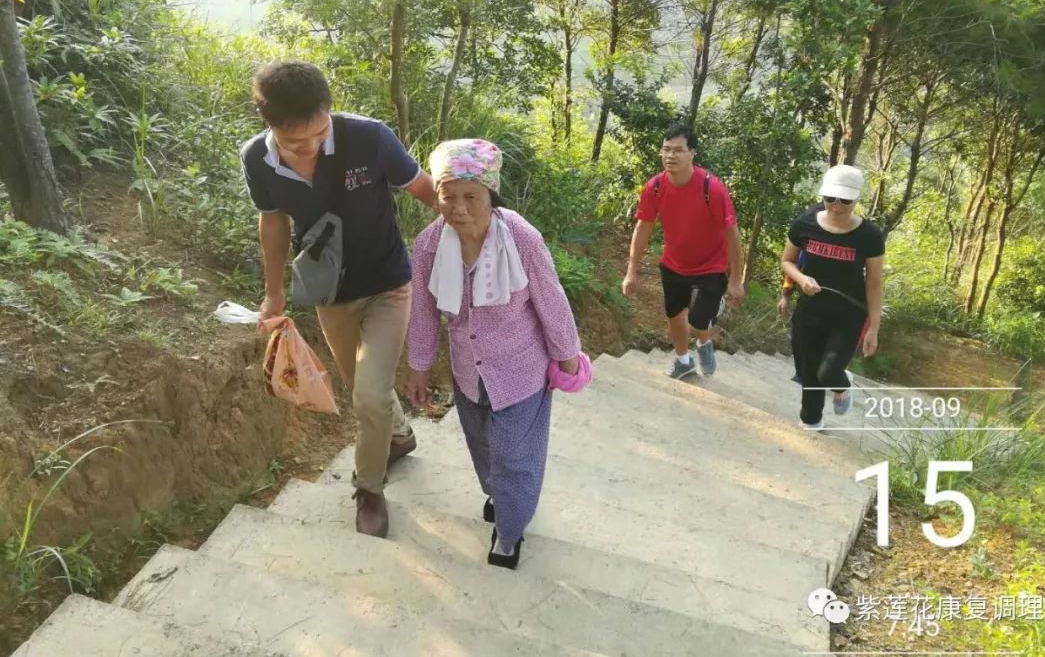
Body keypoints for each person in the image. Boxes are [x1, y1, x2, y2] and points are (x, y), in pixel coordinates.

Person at [240, 61, 437, 538]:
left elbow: (424, 189)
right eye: (295, 143)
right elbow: (273, 221)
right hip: (329, 293)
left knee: (369, 394)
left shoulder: (369, 138)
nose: (309, 149)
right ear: (266, 122)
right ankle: (398, 435)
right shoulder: (256, 158)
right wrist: (273, 294)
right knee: (363, 389)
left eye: (318, 134)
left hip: (388, 284)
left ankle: (368, 489)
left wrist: (480, 228)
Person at [405, 139, 583, 571]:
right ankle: (499, 493)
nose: (459, 208)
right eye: (448, 196)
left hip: (522, 369)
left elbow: (551, 299)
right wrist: (419, 368)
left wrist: (567, 355)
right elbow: (423, 312)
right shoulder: (429, 246)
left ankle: (509, 530)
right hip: (468, 372)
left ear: (491, 194)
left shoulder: (520, 238)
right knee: (482, 446)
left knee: (513, 454)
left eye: (471, 196)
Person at [622, 125, 745, 380]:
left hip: (711, 265)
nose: (670, 155)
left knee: (698, 321)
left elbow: (732, 235)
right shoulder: (655, 187)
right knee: (674, 314)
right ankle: (683, 362)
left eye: (678, 150)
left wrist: (735, 280)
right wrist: (631, 272)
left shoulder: (712, 189)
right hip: (674, 263)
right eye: (666, 150)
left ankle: (703, 341)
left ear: (692, 153)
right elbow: (642, 228)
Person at [781, 165, 884, 431]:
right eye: (830, 198)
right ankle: (811, 420)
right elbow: (788, 261)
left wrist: (874, 327)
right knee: (809, 370)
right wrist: (802, 280)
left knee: (827, 372)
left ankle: (841, 385)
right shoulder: (804, 224)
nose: (836, 206)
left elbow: (874, 282)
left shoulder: (870, 236)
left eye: (845, 200)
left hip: (848, 315)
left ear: (856, 199)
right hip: (810, 311)